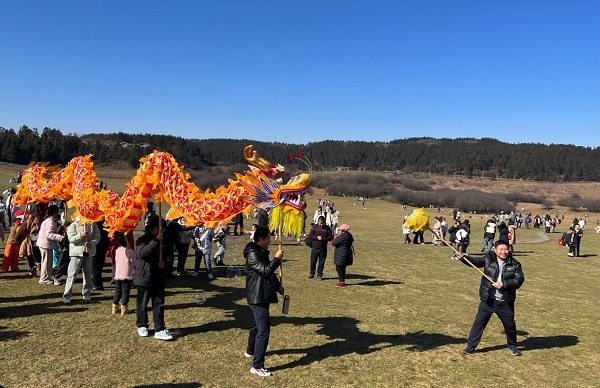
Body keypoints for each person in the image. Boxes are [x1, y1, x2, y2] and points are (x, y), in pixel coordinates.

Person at [456, 240, 525, 356]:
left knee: (510, 325)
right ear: (495, 250)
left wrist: (503, 284)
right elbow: (475, 262)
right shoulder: (489, 259)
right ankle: (471, 346)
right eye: (501, 249)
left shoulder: (515, 264)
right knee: (479, 323)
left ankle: (512, 346)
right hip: (488, 299)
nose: (504, 252)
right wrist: (463, 258)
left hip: (505, 302)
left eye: (506, 249)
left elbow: (519, 280)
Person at [243, 226, 283, 377]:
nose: (270, 241)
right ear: (260, 239)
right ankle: (257, 365)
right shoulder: (253, 254)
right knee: (263, 330)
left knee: (256, 325)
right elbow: (265, 270)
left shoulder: (261, 252)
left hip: (263, 293)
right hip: (257, 296)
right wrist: (277, 259)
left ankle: (250, 350)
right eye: (268, 238)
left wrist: (278, 286)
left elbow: (268, 274)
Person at [134, 215, 173, 340]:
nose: (164, 231)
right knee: (142, 304)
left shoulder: (164, 241)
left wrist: (164, 264)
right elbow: (143, 253)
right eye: (162, 228)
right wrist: (156, 240)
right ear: (155, 228)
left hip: (158, 277)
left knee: (159, 304)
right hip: (144, 277)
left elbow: (169, 256)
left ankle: (159, 328)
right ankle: (142, 325)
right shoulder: (142, 240)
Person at [63, 218, 100, 303]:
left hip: (88, 253)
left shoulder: (93, 224)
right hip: (77, 253)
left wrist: (91, 243)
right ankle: (67, 296)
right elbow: (71, 239)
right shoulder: (74, 225)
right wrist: (81, 235)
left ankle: (86, 294)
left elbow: (97, 236)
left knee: (87, 275)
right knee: (72, 275)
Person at [37, 205, 65, 285]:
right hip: (45, 244)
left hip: (45, 244)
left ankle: (46, 277)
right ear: (54, 213)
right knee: (46, 262)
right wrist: (60, 237)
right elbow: (49, 234)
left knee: (47, 262)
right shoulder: (50, 222)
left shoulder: (50, 221)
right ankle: (44, 279)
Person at [112, 232, 136, 316]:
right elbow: (134, 262)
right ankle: (124, 307)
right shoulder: (130, 252)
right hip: (127, 275)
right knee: (125, 291)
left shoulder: (117, 250)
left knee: (118, 290)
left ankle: (115, 306)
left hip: (118, 274)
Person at [308, 216, 333, 280]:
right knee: (313, 262)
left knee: (321, 262)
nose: (321, 225)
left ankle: (319, 274)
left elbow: (331, 237)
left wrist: (324, 238)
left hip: (323, 248)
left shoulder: (327, 228)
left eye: (322, 223)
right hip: (315, 247)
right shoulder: (314, 227)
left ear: (325, 222)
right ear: (318, 221)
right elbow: (310, 235)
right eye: (320, 223)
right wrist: (316, 237)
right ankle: (312, 273)